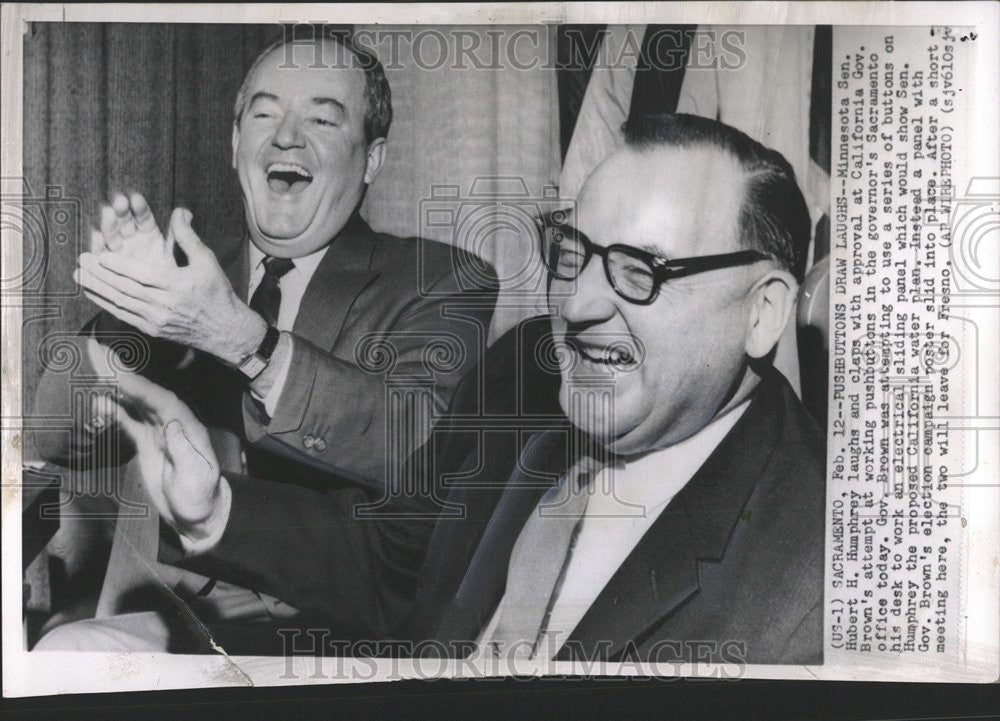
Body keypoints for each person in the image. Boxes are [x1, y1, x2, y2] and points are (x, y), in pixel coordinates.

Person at [39, 114, 824, 665]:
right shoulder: (528, 368)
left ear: (763, 313)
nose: (579, 305)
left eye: (641, 270)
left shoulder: (817, 581)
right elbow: (396, 562)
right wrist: (213, 510)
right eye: (574, 252)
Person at [32, 33, 497, 636]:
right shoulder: (184, 274)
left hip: (325, 627)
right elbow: (50, 436)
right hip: (158, 609)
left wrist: (244, 341)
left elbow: (418, 446)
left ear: (373, 158)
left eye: (323, 120)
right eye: (265, 112)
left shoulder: (440, 280)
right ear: (235, 143)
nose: (286, 136)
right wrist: (132, 314)